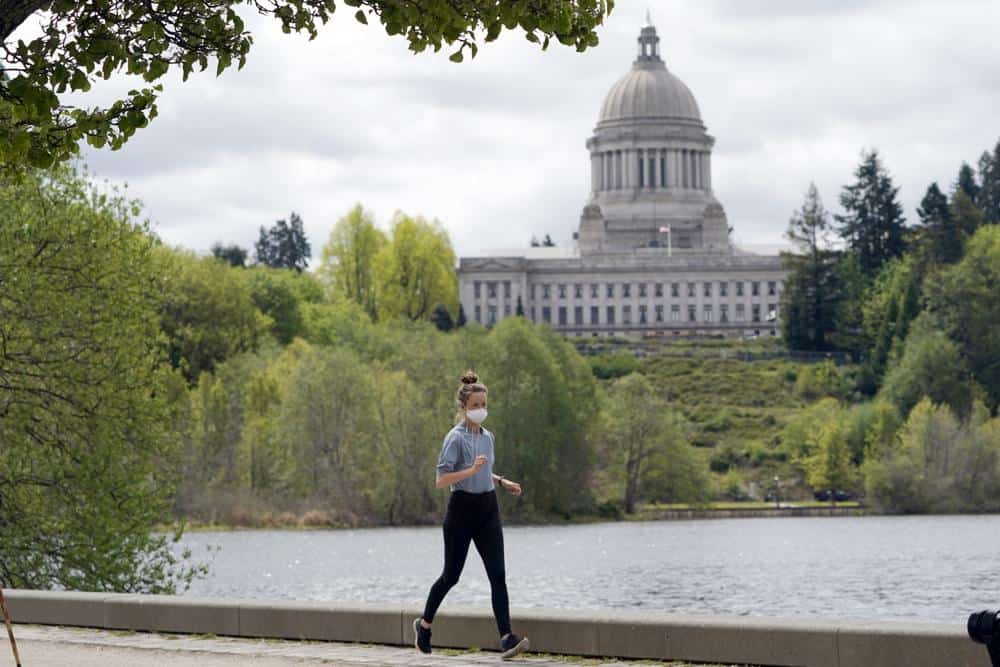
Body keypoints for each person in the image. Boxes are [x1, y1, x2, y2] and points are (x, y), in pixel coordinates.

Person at [413, 371, 530, 660]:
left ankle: (506, 638)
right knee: (451, 576)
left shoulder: (488, 437)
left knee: (498, 575)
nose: (481, 409)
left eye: (484, 404)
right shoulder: (454, 438)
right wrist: (471, 472)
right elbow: (442, 479)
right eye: (476, 405)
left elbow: (482, 468)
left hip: (488, 508)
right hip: (461, 511)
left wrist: (502, 481)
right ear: (464, 408)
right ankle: (424, 626)